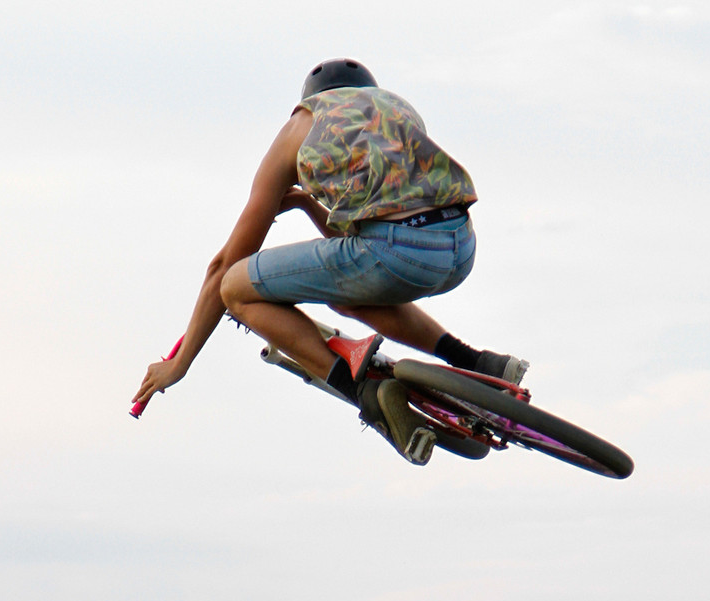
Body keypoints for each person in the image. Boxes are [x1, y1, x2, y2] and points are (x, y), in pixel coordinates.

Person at [132, 58, 527, 466]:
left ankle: (367, 396)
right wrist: (307, 204)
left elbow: (224, 268)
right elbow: (364, 242)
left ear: (309, 100)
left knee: (235, 288)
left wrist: (180, 363)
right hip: (459, 248)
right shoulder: (397, 110)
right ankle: (477, 361)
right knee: (346, 290)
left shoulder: (299, 127)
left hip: (401, 254)